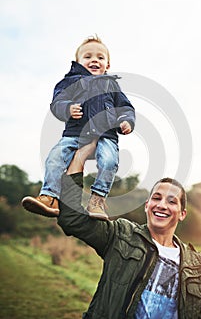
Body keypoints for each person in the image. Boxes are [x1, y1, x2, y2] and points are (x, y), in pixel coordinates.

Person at [57, 147, 201, 319]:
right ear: (147, 205)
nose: (162, 205)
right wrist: (80, 156)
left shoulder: (200, 266)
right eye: (156, 198)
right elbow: (71, 218)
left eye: (171, 201)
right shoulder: (120, 235)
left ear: (182, 214)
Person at [22, 35, 135, 220]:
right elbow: (57, 101)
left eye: (100, 57)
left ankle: (97, 200)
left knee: (109, 161)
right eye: (88, 56)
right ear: (78, 62)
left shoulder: (111, 85)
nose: (94, 60)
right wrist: (67, 108)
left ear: (107, 65)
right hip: (75, 133)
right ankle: (50, 196)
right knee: (55, 158)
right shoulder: (70, 81)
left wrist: (127, 121)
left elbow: (126, 108)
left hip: (106, 135)